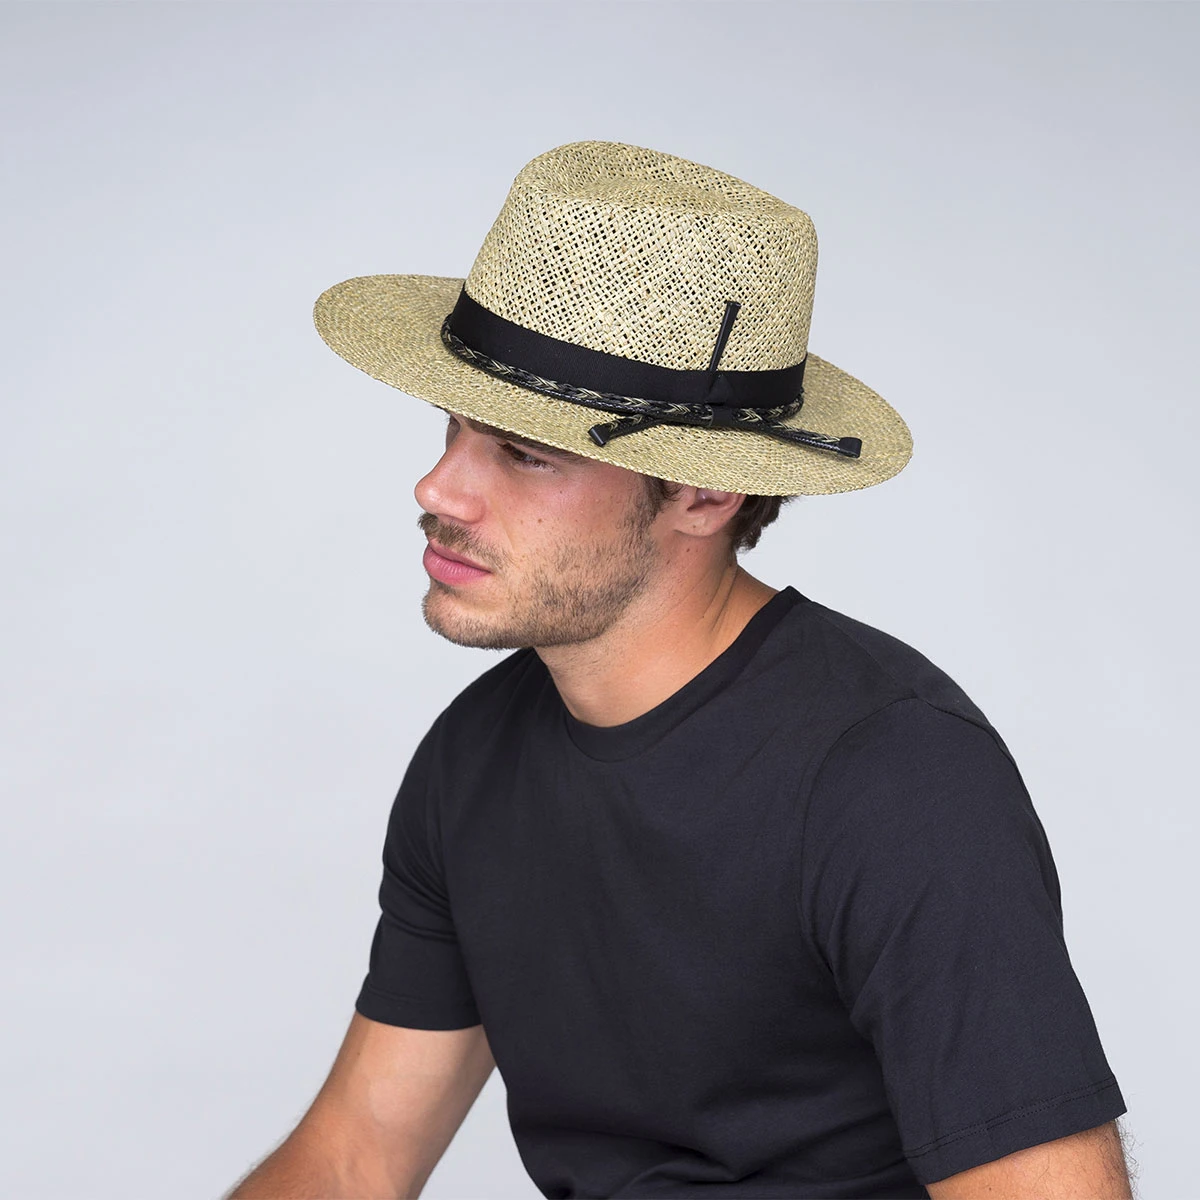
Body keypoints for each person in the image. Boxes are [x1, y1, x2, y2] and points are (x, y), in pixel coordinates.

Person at [226, 142, 1133, 1200]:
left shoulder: (894, 777)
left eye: (525, 453)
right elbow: (355, 1156)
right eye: (454, 429)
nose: (439, 488)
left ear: (704, 495)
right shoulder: (474, 757)